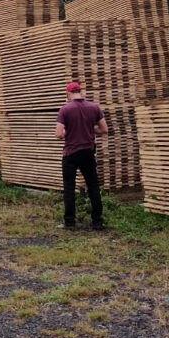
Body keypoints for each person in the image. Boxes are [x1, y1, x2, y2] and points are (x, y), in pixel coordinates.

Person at [54, 82, 108, 230]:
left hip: (71, 153)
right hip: (88, 152)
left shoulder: (65, 109)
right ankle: (97, 221)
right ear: (81, 91)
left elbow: (58, 134)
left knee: (69, 188)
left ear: (68, 93)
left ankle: (70, 222)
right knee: (93, 187)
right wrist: (89, 130)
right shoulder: (94, 107)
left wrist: (69, 132)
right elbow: (104, 129)